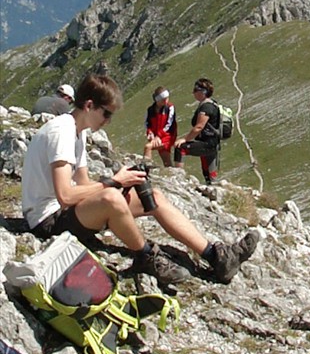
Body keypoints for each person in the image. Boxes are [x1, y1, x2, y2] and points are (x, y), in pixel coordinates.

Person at [19, 73, 258, 286]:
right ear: (89, 105)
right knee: (112, 198)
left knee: (152, 196)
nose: (108, 121)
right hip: (47, 221)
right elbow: (66, 195)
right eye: (106, 114)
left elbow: (82, 184)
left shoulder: (77, 133)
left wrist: (122, 181)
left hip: (65, 212)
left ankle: (217, 257)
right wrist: (113, 183)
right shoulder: (62, 132)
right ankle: (146, 256)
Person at [174, 77, 223, 184]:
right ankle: (213, 193)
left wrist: (184, 139)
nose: (193, 93)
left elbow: (199, 127)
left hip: (207, 144)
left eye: (195, 90)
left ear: (202, 92)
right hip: (212, 143)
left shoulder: (206, 107)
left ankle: (178, 179)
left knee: (180, 149)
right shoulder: (212, 104)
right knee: (210, 177)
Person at [144, 88, 178, 168]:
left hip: (168, 136)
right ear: (157, 100)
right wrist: (150, 133)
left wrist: (158, 136)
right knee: (166, 160)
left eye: (167, 98)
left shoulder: (170, 108)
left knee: (148, 147)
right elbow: (147, 124)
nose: (166, 101)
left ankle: (146, 170)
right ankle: (173, 174)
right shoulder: (150, 110)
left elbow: (169, 124)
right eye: (163, 99)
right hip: (157, 137)